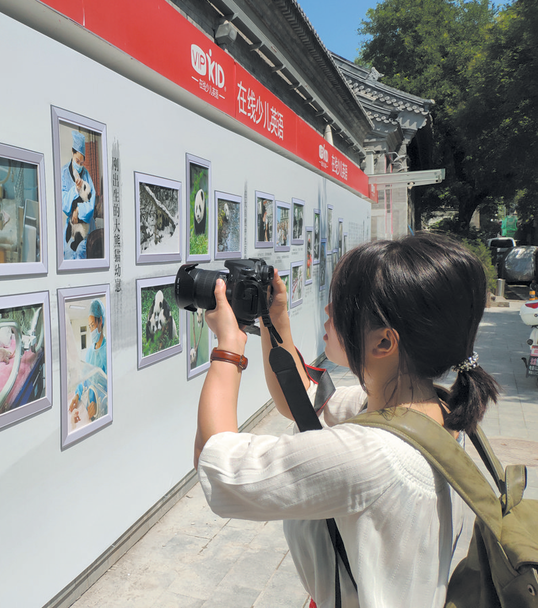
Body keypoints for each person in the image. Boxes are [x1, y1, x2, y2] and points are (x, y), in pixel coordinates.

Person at [194, 233, 500, 607]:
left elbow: (218, 464)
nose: (327, 310)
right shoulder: (433, 411)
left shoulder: (370, 454)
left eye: (341, 306)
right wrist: (276, 320)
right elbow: (301, 406)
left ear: (384, 343)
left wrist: (228, 348)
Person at [69, 299, 108, 423]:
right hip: (89, 411)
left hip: (102, 412)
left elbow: (111, 387)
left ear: (100, 320)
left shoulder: (107, 351)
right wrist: (77, 395)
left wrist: (99, 405)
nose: (91, 330)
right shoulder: (90, 352)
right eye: (89, 326)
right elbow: (85, 378)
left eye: (93, 325)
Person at [61, 130, 95, 260]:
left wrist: (78, 211)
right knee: (69, 253)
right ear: (72, 152)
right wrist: (75, 190)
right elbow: (64, 204)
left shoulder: (86, 175)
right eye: (77, 160)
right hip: (71, 224)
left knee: (82, 252)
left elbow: (91, 204)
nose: (80, 165)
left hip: (86, 225)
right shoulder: (64, 174)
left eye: (82, 162)